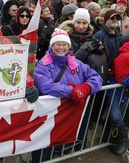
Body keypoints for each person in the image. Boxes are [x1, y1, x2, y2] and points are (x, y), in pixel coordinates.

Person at [32, 28, 103, 162]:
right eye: (57, 44)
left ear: (68, 46)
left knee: (62, 141)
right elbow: (46, 86)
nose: (61, 48)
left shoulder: (77, 64)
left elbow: (96, 78)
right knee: (44, 145)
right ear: (51, 45)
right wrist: (71, 91)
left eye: (64, 44)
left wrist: (85, 87)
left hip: (69, 116)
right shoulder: (43, 65)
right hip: (49, 116)